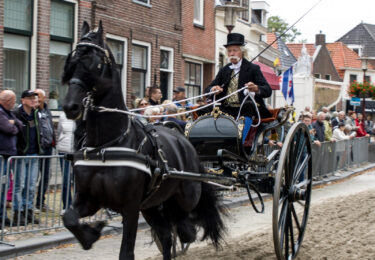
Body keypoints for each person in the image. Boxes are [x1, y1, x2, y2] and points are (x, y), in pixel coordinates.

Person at [205, 33, 272, 120]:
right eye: (229, 51)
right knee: (204, 109)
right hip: (227, 108)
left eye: (235, 50)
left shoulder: (253, 68)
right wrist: (213, 89)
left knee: (248, 105)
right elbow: (207, 89)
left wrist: (256, 88)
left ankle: (242, 133)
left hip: (245, 107)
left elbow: (267, 90)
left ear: (242, 52)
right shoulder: (224, 70)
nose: (232, 53)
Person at [13, 90, 42, 225]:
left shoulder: (36, 114)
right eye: (30, 98)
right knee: (20, 185)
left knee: (31, 186)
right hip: (21, 154)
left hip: (34, 153)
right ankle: (18, 213)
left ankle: (28, 211)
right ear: (23, 100)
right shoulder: (17, 114)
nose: (33, 100)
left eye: (34, 98)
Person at [0, 90, 23, 227]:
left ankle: (3, 216)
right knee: (2, 186)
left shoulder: (8, 113)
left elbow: (19, 125)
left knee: (6, 185)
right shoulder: (1, 112)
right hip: (2, 154)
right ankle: (2, 217)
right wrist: (14, 126)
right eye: (14, 101)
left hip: (8, 154)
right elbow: (9, 129)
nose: (15, 103)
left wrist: (14, 123)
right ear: (7, 101)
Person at [35, 89, 56, 212]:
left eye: (38, 96)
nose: (36, 98)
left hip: (48, 147)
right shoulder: (34, 111)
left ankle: (40, 202)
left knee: (46, 176)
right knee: (33, 176)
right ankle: (28, 204)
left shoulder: (47, 110)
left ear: (44, 97)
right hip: (38, 148)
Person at [56, 112, 75, 211]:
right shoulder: (63, 115)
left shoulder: (83, 113)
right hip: (64, 150)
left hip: (78, 151)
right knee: (66, 179)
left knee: (77, 180)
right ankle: (67, 206)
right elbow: (59, 131)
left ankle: (77, 205)